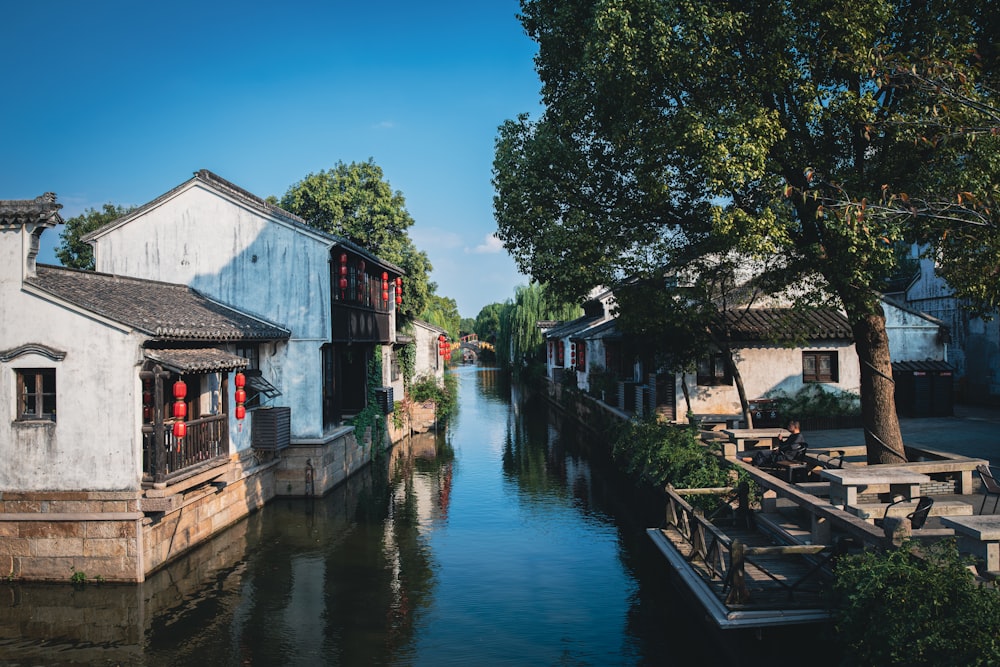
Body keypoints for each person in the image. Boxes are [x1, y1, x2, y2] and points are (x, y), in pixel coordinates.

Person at [742, 420, 807, 467]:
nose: (788, 427)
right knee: (761, 454)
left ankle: (748, 462)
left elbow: (792, 447)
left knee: (762, 455)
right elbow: (785, 445)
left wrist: (780, 449)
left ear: (794, 426)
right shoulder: (792, 436)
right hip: (782, 454)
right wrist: (780, 440)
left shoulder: (798, 436)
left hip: (786, 457)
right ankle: (749, 462)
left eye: (790, 425)